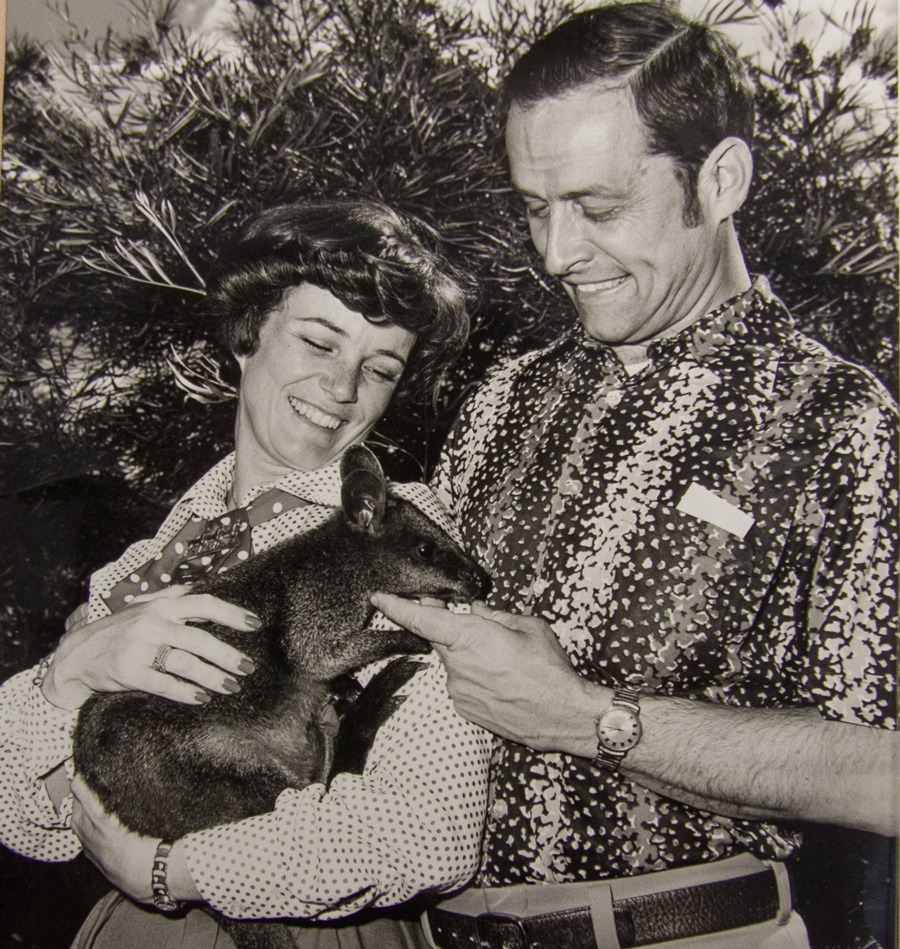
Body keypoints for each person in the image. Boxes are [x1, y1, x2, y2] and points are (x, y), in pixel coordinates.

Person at [372, 5, 898, 948]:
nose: (557, 255)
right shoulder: (505, 397)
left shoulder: (839, 425)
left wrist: (586, 719)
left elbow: (887, 776)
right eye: (536, 208)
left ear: (722, 179)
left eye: (600, 208)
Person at [0, 198, 491, 948]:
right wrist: (68, 673)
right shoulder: (149, 562)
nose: (340, 388)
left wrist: (173, 868)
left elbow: (428, 831)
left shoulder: (406, 542)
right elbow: (33, 818)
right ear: (247, 333)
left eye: (379, 368)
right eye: (319, 342)